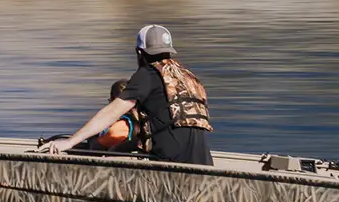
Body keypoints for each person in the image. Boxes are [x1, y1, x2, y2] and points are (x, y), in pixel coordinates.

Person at [40, 25, 213, 165]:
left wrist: (70, 142)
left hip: (172, 166)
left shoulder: (148, 73)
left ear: (139, 53)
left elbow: (113, 111)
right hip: (203, 163)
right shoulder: (189, 76)